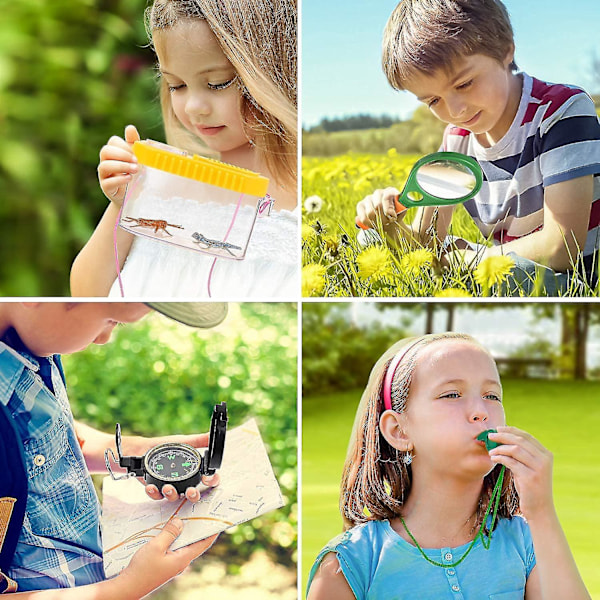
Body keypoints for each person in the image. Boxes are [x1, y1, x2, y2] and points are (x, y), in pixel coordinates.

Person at [307, 333, 590, 599]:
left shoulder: (528, 542)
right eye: (452, 394)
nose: (481, 412)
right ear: (399, 431)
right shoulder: (350, 565)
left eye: (492, 396)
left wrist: (541, 513)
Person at [356, 0, 600, 296]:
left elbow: (563, 246)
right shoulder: (457, 138)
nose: (456, 110)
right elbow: (424, 241)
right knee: (371, 239)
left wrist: (470, 263)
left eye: (465, 83)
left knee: (503, 275)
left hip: (571, 279)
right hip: (499, 265)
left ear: (506, 50)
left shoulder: (561, 111)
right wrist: (386, 224)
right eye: (433, 101)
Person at [71, 0, 298, 299]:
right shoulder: (157, 184)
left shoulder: (302, 208)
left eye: (217, 84)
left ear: (275, 71)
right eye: (176, 85)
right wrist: (122, 204)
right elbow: (87, 294)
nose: (193, 107)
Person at [0, 302, 227, 596]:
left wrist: (145, 455)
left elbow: (53, 440)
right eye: (110, 320)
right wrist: (127, 588)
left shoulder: (36, 345)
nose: (104, 338)